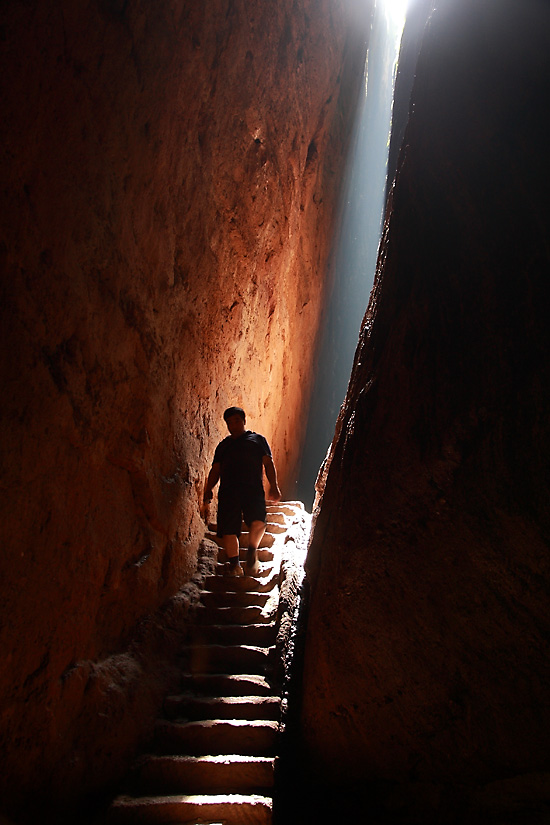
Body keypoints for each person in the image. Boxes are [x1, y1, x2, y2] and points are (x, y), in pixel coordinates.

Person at [203, 406, 281, 576]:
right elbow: (215, 470)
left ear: (244, 421)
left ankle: (252, 551)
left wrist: (274, 486)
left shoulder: (257, 440)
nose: (233, 425)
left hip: (252, 488)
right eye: (229, 422)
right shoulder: (223, 446)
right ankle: (234, 564)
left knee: (258, 520)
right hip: (228, 491)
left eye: (236, 420)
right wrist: (208, 488)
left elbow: (268, 464)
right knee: (229, 528)